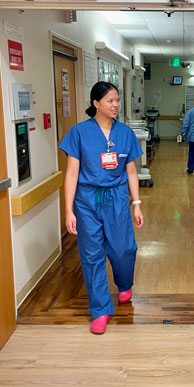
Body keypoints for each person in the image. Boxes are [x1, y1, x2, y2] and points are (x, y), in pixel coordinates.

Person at [59, 81, 144, 335]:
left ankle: (124, 282)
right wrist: (69, 210)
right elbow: (72, 174)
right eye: (110, 100)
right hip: (86, 200)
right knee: (91, 254)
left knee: (123, 249)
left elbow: (131, 171)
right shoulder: (78, 133)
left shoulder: (125, 133)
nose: (116, 105)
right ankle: (100, 310)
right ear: (96, 104)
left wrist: (137, 204)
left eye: (117, 100)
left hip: (117, 198)